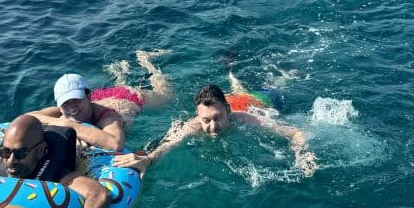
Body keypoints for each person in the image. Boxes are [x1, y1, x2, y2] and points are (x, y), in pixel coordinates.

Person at [113, 83, 318, 177]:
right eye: (206, 120)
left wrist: (303, 153)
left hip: (258, 101)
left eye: (218, 118)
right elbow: (170, 143)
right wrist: (148, 159)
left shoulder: (244, 118)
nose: (212, 127)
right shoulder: (193, 127)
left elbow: (295, 132)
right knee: (236, 86)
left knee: (277, 85)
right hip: (233, 99)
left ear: (228, 111)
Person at [27, 50, 173, 152]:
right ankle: (121, 71)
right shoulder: (62, 110)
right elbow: (27, 117)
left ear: (87, 97)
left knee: (165, 95)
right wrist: (62, 123)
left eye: (76, 99)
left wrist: (69, 126)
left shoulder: (109, 117)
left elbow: (115, 143)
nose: (71, 107)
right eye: (65, 103)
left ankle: (147, 62)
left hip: (128, 98)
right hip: (101, 97)